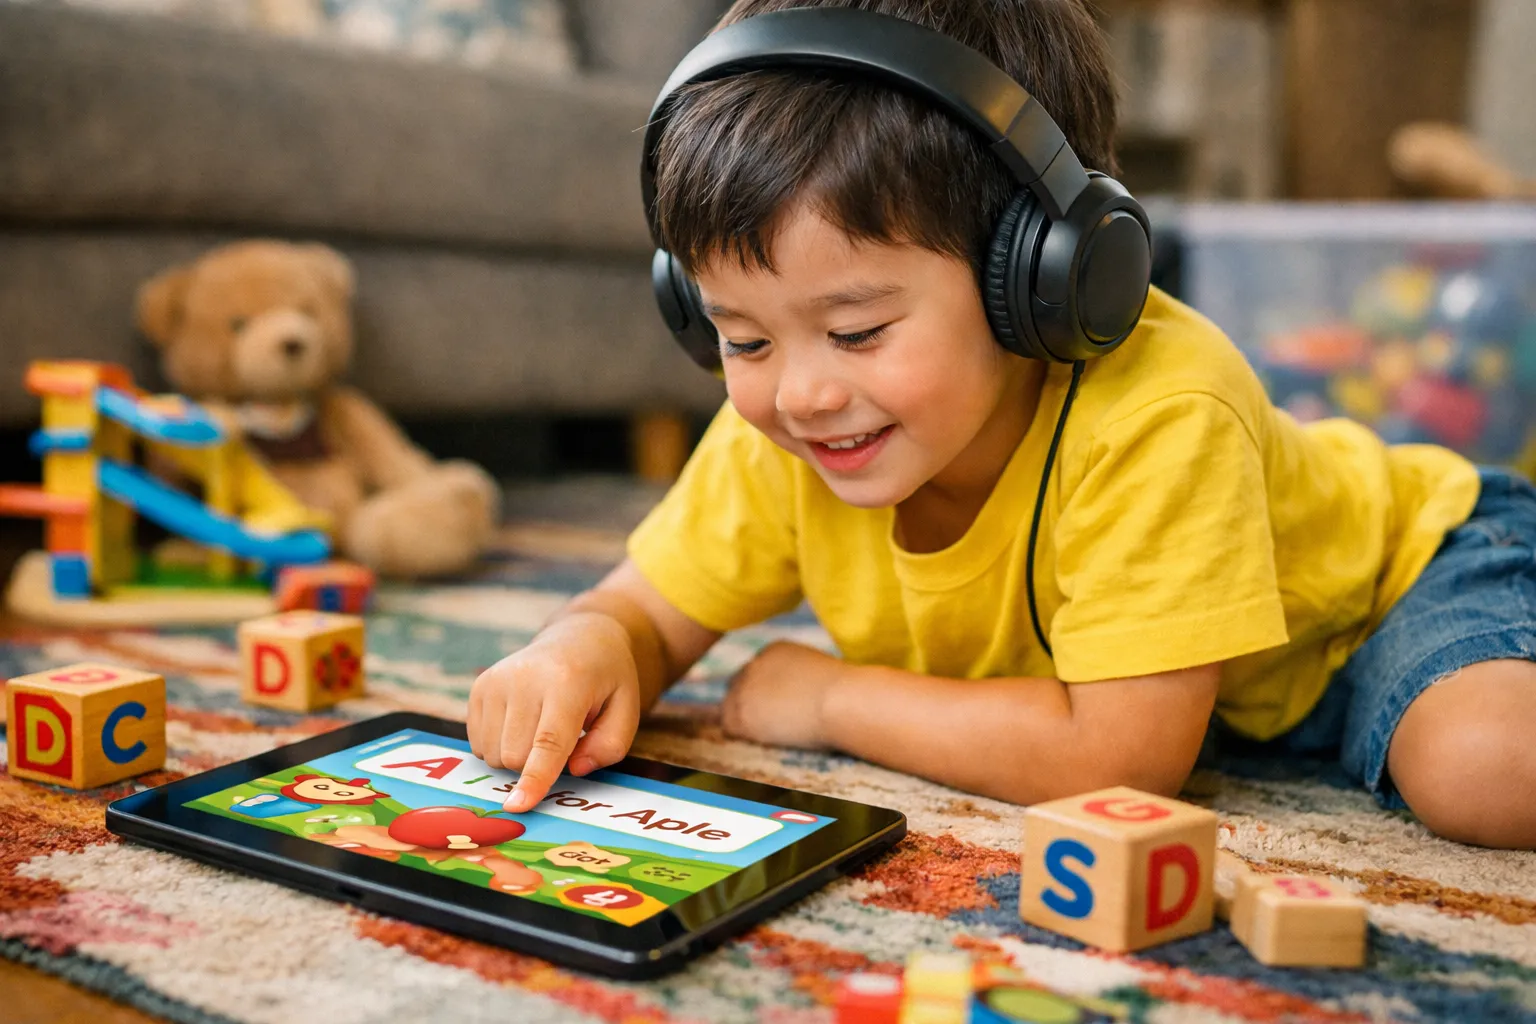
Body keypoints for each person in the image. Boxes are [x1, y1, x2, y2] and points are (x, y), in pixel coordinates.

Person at [469, 0, 1536, 849]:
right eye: (742, 340)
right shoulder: (788, 430)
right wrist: (579, 650)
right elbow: (644, 616)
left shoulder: (1163, 407)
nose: (796, 392)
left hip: (1402, 584)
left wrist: (831, 697)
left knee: (1481, 765)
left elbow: (1114, 758)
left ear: (1044, 280)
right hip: (1246, 698)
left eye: (856, 329)